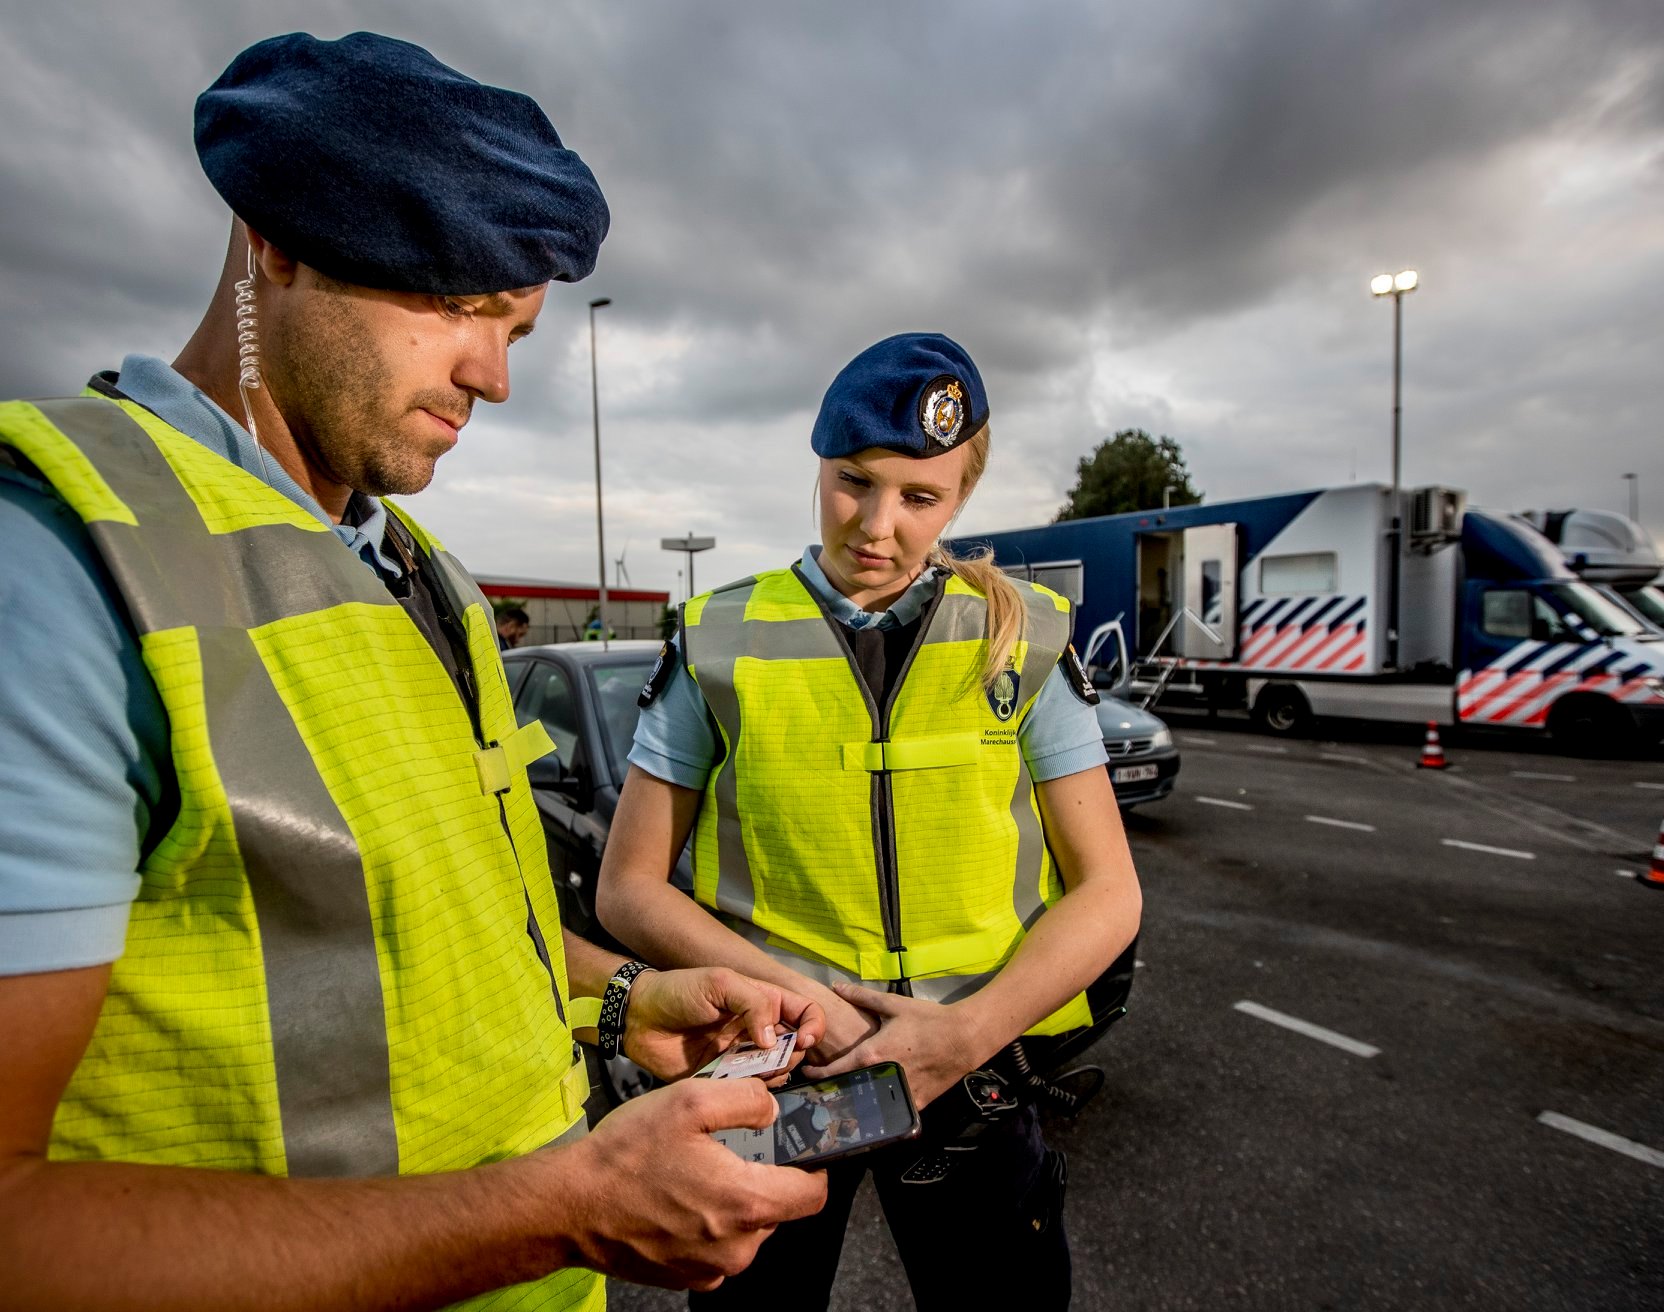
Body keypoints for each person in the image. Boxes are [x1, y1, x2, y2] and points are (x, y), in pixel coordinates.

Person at [0, 32, 828, 1310]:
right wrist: (565, 1208)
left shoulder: (418, 571)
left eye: (517, 326)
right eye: (456, 303)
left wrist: (623, 999)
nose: (492, 377)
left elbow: (427, 937)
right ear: (275, 238)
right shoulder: (56, 563)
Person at [597, 333, 1144, 1310]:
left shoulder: (1023, 635)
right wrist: (815, 1008)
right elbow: (628, 885)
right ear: (819, 461)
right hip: (781, 1072)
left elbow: (1111, 891)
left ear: (961, 498)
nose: (878, 526)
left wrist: (961, 1034)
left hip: (969, 1072)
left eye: (920, 497)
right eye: (854, 481)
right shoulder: (717, 637)